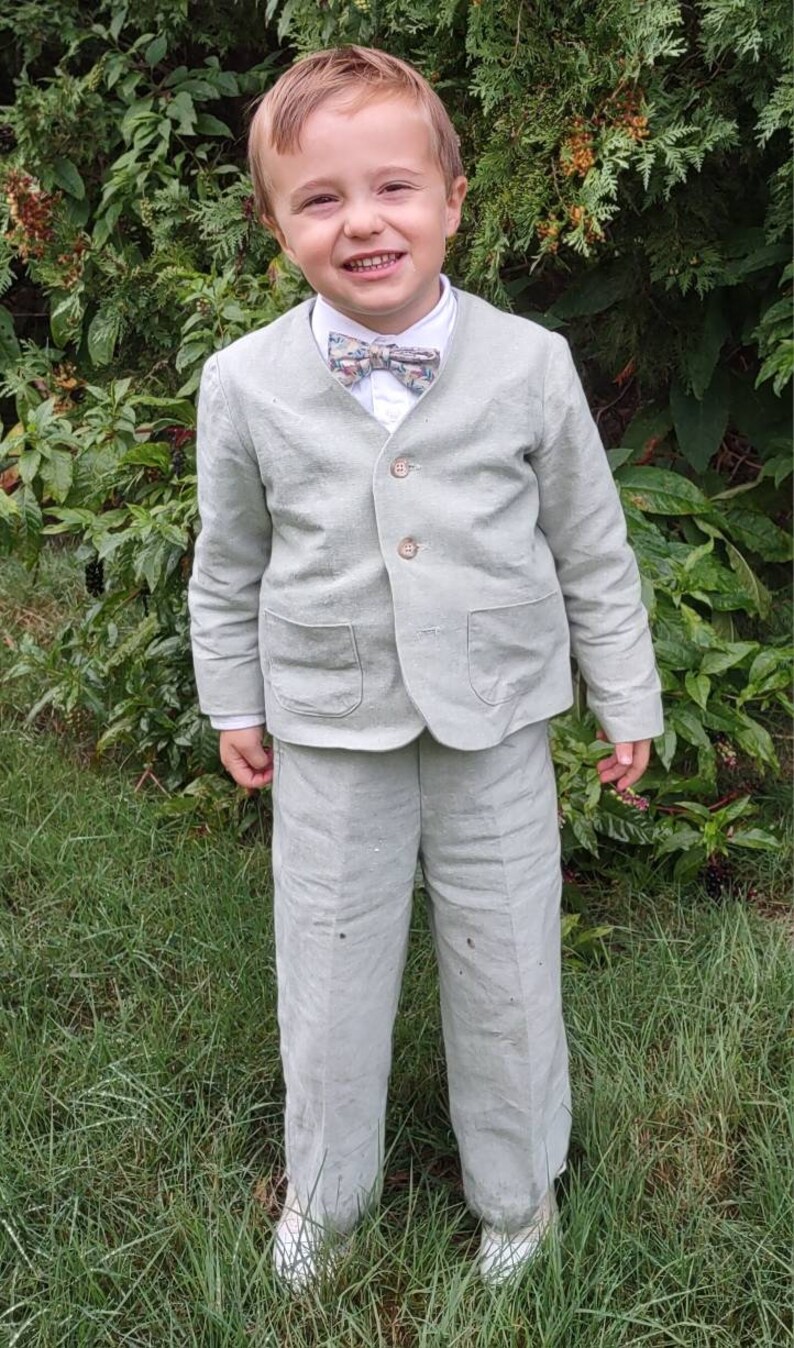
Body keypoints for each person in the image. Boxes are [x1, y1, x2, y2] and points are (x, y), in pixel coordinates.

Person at [188, 44, 663, 1291]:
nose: (362, 223)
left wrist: (625, 695)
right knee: (328, 963)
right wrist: (232, 698)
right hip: (328, 722)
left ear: (452, 199)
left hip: (494, 719)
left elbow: (590, 547)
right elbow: (227, 563)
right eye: (320, 199)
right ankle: (324, 1191)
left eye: (393, 187)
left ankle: (515, 1194)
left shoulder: (529, 363)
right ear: (275, 226)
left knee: (506, 959)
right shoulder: (243, 384)